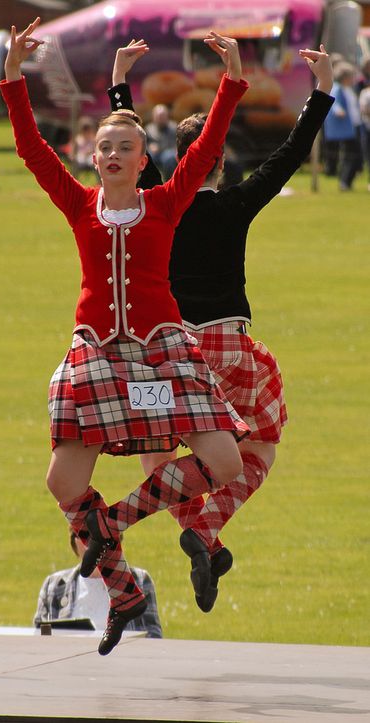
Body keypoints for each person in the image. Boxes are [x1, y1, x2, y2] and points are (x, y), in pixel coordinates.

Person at [0, 18, 249, 655]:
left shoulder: (166, 202)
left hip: (163, 354)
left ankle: (114, 522)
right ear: (94, 156)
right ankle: (121, 588)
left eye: (125, 148)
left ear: (143, 161)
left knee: (222, 464)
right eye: (105, 147)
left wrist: (232, 80)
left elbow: (210, 142)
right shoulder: (79, 203)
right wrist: (11, 77)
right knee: (62, 485)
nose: (112, 156)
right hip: (97, 355)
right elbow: (30, 149)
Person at [105, 42, 335, 611]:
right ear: (219, 161)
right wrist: (322, 91)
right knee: (261, 445)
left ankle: (198, 534)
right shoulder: (236, 204)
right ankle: (206, 529)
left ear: (171, 163)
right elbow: (290, 152)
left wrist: (119, 86)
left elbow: (135, 150)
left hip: (170, 351)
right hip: (230, 349)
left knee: (159, 455)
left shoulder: (159, 201)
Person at [34, 528, 162, 638]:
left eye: (103, 536)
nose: (94, 544)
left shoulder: (138, 580)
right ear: (75, 542)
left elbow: (153, 638)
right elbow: (39, 639)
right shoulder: (54, 586)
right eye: (86, 537)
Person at [324, 61, 362, 190]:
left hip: (354, 126)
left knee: (353, 155)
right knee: (352, 155)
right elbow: (333, 102)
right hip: (346, 129)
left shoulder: (349, 89)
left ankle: (347, 181)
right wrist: (338, 110)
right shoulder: (338, 88)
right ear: (345, 76)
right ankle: (345, 182)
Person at [145, 103, 177, 180]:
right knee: (148, 157)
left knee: (168, 157)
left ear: (167, 116)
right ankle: (150, 181)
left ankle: (168, 181)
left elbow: (176, 144)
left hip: (170, 153)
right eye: (158, 116)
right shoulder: (149, 129)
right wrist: (150, 147)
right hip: (156, 154)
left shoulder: (174, 127)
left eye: (162, 116)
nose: (160, 118)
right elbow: (144, 144)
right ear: (154, 117)